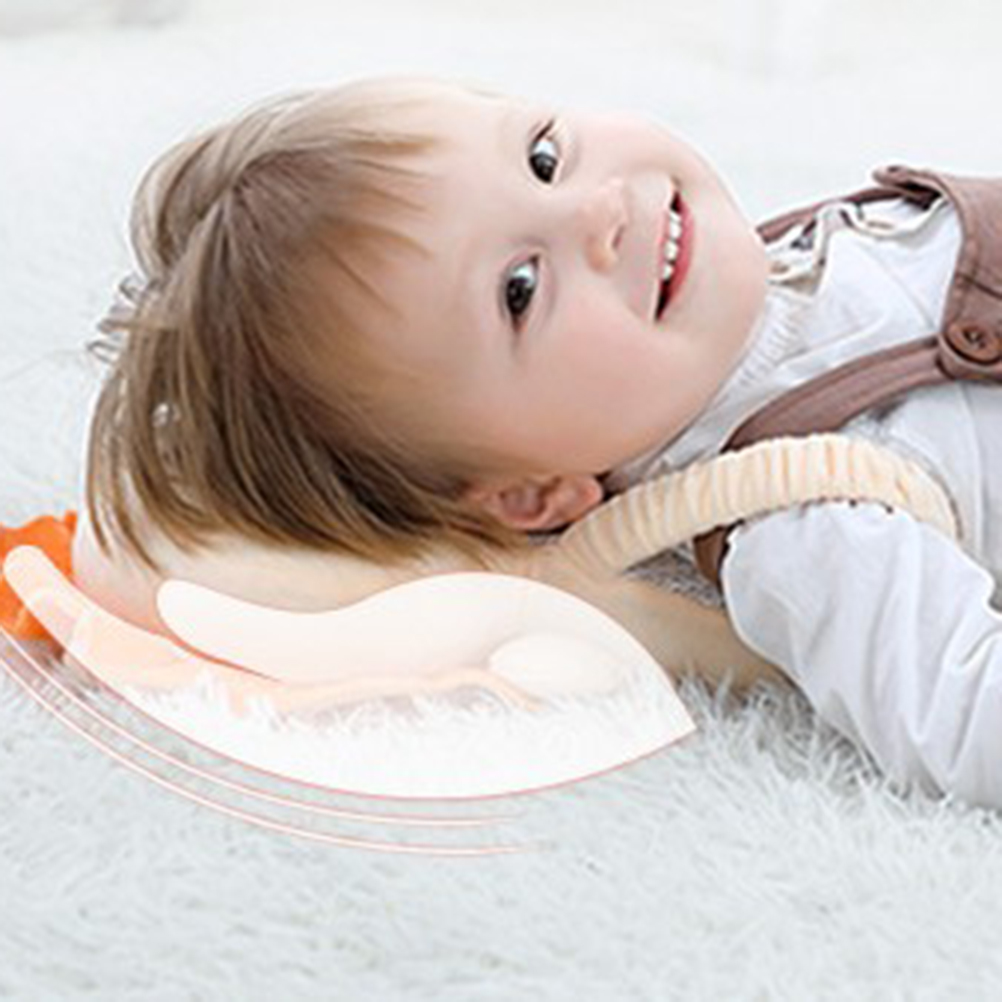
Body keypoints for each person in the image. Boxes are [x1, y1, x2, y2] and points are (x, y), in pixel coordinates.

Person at [69, 73, 1002, 808]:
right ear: (530, 494)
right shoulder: (806, 520)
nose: (600, 211)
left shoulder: (795, 259)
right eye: (520, 289)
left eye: (544, 157)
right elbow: (967, 727)